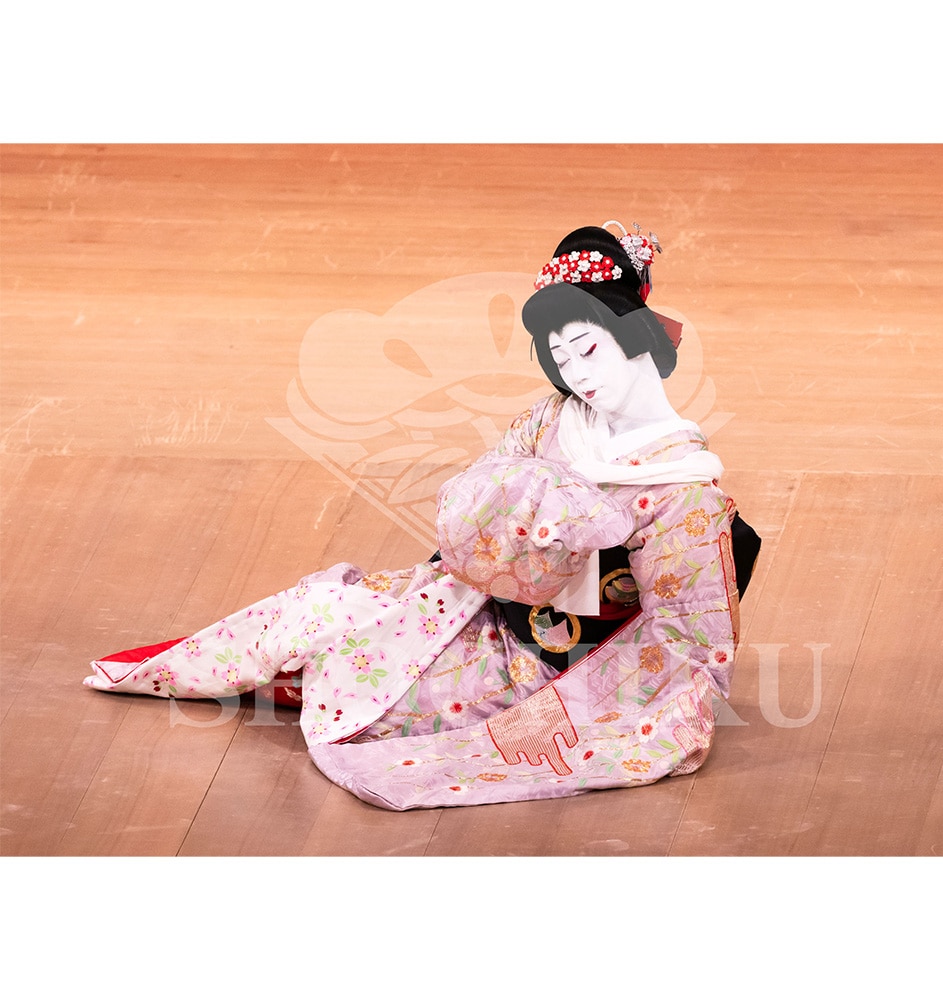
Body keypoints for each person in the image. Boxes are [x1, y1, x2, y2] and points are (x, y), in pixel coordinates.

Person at [85, 221, 761, 811]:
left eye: (587, 349)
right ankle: (197, 670)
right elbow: (478, 508)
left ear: (635, 332)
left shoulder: (687, 496)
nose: (578, 375)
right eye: (561, 359)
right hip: (469, 599)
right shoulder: (555, 421)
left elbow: (686, 649)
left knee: (363, 690)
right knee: (318, 612)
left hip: (548, 662)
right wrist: (511, 520)